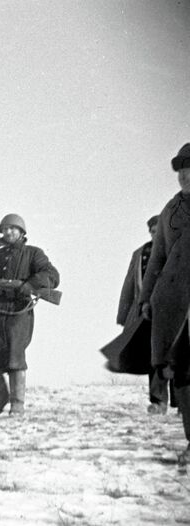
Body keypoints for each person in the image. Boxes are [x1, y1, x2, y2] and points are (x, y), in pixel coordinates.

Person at [0, 214, 60, 417]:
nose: (8, 232)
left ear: (22, 232)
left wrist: (28, 285)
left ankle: (17, 404)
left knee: (15, 357)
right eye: (5, 229)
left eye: (13, 228)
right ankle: (2, 396)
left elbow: (52, 276)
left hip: (19, 311)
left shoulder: (34, 254)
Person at [139, 143, 190, 464]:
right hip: (173, 301)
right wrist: (146, 298)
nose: (184, 175)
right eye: (180, 169)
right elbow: (156, 257)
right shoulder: (171, 209)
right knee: (183, 373)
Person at [118, 215, 175, 414]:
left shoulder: (179, 250)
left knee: (179, 357)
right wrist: (124, 314)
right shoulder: (140, 253)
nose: (155, 234)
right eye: (152, 231)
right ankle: (158, 402)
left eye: (159, 231)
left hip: (176, 313)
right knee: (155, 356)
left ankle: (183, 404)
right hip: (147, 313)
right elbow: (130, 284)